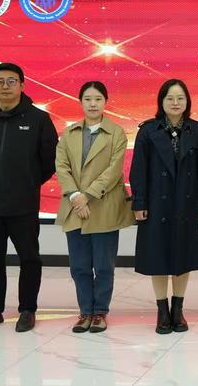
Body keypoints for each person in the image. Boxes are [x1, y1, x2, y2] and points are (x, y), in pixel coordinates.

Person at [0, 62, 58, 333]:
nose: (5, 86)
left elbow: (49, 162)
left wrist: (27, 183)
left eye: (11, 81)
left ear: (22, 85)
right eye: (0, 82)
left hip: (23, 204)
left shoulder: (39, 119)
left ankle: (27, 309)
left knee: (29, 258)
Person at [54, 81, 135, 333]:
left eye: (98, 99)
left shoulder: (116, 133)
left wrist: (87, 196)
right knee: (79, 266)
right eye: (88, 99)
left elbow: (114, 171)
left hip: (103, 206)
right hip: (74, 206)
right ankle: (85, 312)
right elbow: (61, 166)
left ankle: (100, 311)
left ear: (105, 102)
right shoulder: (69, 133)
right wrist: (75, 196)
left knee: (103, 266)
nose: (92, 104)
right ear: (80, 102)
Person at [130, 79, 198, 334]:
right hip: (156, 204)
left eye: (180, 98)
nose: (175, 103)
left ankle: (178, 309)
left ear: (187, 102)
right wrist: (139, 202)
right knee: (158, 256)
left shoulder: (197, 131)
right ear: (161, 102)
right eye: (170, 98)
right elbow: (138, 171)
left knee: (183, 256)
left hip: (187, 203)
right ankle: (162, 310)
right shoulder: (148, 131)